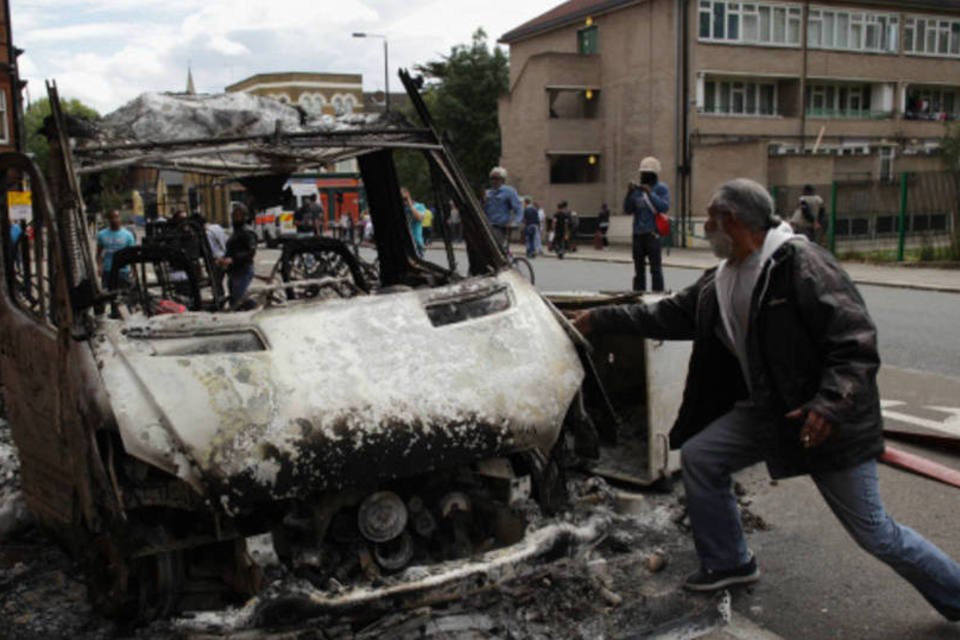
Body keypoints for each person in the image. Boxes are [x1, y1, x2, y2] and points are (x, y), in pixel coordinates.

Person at [571, 178, 960, 622]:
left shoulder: (801, 265)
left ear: (731, 221)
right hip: (772, 411)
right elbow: (669, 314)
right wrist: (599, 319)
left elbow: (854, 342)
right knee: (701, 456)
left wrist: (828, 405)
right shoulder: (723, 276)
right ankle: (730, 561)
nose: (705, 230)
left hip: (826, 421)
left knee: (876, 533)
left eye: (710, 221)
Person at [624, 156, 670, 292]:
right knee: (639, 269)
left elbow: (664, 207)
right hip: (638, 234)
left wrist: (650, 193)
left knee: (655, 268)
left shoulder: (661, 188)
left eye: (648, 174)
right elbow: (628, 209)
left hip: (652, 233)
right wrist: (629, 193)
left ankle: (657, 294)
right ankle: (638, 293)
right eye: (643, 173)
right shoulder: (637, 190)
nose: (645, 176)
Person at [217, 203, 258, 310]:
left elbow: (251, 252)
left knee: (239, 299)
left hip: (243, 269)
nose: (236, 217)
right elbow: (230, 250)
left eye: (239, 215)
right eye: (234, 215)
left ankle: (255, 308)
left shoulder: (247, 232)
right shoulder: (235, 232)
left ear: (245, 216)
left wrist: (233, 259)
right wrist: (223, 259)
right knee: (234, 299)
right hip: (233, 271)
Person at [482, 166, 522, 250]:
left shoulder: (509, 191)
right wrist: (483, 202)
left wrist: (515, 222)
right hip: (487, 225)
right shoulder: (488, 193)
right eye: (492, 178)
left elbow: (518, 209)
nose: (494, 181)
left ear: (502, 180)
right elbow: (483, 210)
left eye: (496, 178)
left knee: (494, 249)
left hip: (500, 227)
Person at [96, 209, 136, 289]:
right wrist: (100, 267)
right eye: (111, 218)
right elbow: (98, 254)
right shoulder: (101, 234)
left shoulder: (128, 235)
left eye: (116, 217)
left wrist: (134, 271)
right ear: (108, 220)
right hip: (108, 271)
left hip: (123, 271)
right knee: (108, 296)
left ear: (120, 218)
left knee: (125, 297)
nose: (114, 220)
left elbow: (132, 255)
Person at [401, 188, 425, 257]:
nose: (403, 201)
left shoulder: (420, 206)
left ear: (409, 196)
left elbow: (419, 218)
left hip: (416, 243)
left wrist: (410, 205)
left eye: (405, 198)